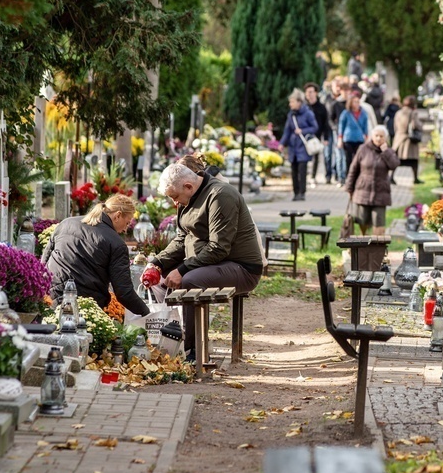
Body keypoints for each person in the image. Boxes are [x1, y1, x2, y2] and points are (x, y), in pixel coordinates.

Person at [147, 164, 264, 353]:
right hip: (211, 262)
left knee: (190, 280)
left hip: (241, 267)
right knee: (159, 279)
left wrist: (182, 270)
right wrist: (157, 262)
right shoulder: (188, 199)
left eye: (174, 197)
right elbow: (182, 237)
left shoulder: (220, 195)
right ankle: (170, 337)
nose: (174, 202)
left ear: (188, 186)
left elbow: (219, 248)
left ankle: (193, 351)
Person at [43, 194, 149, 316]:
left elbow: (44, 261)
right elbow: (124, 292)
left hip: (52, 297)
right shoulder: (116, 243)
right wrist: (146, 313)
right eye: (127, 223)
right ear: (118, 216)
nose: (125, 229)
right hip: (85, 306)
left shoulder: (66, 223)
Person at [344, 126, 400, 235]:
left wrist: (385, 152)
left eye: (381, 136)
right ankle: (363, 244)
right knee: (362, 220)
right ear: (372, 136)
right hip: (363, 190)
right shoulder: (363, 149)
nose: (379, 138)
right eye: (376, 136)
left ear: (385, 138)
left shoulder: (389, 151)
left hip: (381, 192)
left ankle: (377, 248)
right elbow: (353, 169)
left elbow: (394, 165)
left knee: (379, 222)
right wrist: (349, 188)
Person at [279, 88, 319, 201]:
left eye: (292, 102)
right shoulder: (291, 115)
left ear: (299, 102)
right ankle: (295, 193)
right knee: (294, 171)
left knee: (302, 171)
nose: (290, 104)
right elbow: (287, 130)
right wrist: (282, 143)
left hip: (303, 146)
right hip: (293, 147)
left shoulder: (308, 113)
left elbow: (314, 127)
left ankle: (302, 193)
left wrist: (303, 131)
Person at [304, 82, 330, 190]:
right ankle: (304, 178)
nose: (309, 94)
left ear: (316, 93)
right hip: (305, 137)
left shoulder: (321, 107)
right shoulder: (304, 107)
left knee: (315, 157)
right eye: (307, 92)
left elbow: (325, 123)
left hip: (317, 136)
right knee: (304, 158)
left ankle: (313, 177)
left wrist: (326, 138)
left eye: (311, 92)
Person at [391, 95, 422, 184]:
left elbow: (395, 126)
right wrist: (421, 126)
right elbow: (415, 125)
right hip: (409, 140)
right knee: (414, 160)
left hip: (399, 138)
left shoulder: (398, 112)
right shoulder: (413, 113)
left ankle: (391, 177)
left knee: (397, 160)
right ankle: (415, 178)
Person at [337, 93, 369, 176]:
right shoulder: (346, 113)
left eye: (358, 102)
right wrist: (340, 138)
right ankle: (348, 176)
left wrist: (366, 136)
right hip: (348, 138)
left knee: (358, 158)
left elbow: (365, 126)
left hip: (359, 138)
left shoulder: (363, 113)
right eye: (354, 102)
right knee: (348, 159)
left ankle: (358, 176)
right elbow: (341, 126)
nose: (356, 104)